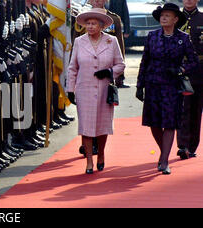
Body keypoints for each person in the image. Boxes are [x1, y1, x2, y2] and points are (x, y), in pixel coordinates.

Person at [136, 3, 198, 175]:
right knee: (154, 123)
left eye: (168, 15)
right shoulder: (152, 36)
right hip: (153, 84)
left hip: (172, 86)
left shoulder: (183, 38)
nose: (164, 18)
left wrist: (181, 70)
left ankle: (164, 161)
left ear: (175, 19)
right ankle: (164, 152)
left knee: (170, 123)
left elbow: (194, 61)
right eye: (162, 15)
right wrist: (139, 86)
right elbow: (144, 61)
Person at [67, 8, 125, 174]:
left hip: (104, 89)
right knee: (85, 126)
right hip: (84, 89)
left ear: (101, 26)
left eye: (94, 24)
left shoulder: (111, 41)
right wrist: (71, 89)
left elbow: (120, 65)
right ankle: (89, 161)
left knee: (102, 126)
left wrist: (109, 72)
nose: (90, 26)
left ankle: (101, 154)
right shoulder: (79, 42)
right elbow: (72, 67)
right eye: (88, 24)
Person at [176, 0, 203, 159]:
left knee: (196, 109)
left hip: (200, 69)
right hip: (182, 68)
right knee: (182, 109)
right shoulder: (175, 18)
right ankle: (183, 145)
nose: (189, 0)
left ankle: (192, 146)